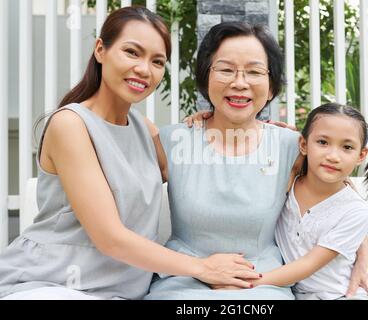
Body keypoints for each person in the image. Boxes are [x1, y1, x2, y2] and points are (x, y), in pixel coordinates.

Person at [0, 7, 259, 300]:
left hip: (122, 291)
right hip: (52, 284)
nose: (144, 69)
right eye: (132, 52)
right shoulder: (70, 125)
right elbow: (110, 239)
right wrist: (203, 268)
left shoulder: (144, 129)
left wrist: (253, 130)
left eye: (157, 61)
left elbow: (199, 175)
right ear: (100, 50)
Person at [145, 22, 368, 300]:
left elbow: (338, 193)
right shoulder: (172, 142)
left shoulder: (292, 147)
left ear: (271, 87)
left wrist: (364, 255)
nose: (239, 82)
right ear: (205, 77)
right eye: (226, 69)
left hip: (262, 282)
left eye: (255, 72)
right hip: (183, 280)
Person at [250, 103, 368, 300]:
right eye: (322, 142)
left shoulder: (355, 211)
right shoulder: (287, 185)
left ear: (361, 155)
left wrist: (251, 282)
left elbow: (307, 265)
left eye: (347, 147)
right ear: (304, 145)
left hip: (341, 295)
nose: (333, 156)